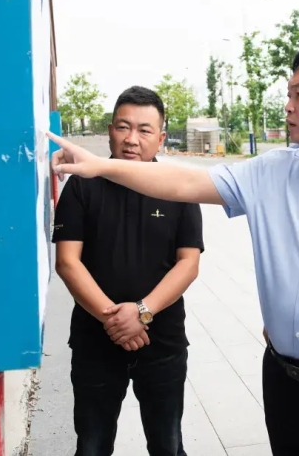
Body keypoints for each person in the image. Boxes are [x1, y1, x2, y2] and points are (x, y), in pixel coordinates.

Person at [48, 41, 299, 456]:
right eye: (288, 94)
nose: (288, 106)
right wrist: (100, 166)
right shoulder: (272, 172)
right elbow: (184, 183)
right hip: (285, 386)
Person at [52, 86, 204, 456]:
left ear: (161, 138)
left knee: (167, 445)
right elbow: (67, 262)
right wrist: (114, 320)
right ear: (110, 131)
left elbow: (189, 263)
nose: (132, 139)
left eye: (144, 130)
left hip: (162, 341)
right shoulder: (83, 185)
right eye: (123, 127)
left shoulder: (178, 188)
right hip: (94, 341)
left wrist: (141, 312)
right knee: (92, 446)